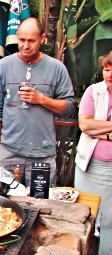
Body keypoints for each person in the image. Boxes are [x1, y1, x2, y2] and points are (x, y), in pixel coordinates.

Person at [0, 17, 75, 186]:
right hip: (9, 153)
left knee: (41, 206)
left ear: (43, 39)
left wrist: (41, 99)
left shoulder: (56, 68)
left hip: (43, 154)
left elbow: (69, 107)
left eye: (31, 41)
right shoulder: (2, 66)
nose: (25, 45)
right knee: (7, 207)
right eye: (21, 40)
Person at [74, 50, 112, 255]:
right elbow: (85, 124)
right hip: (89, 168)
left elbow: (92, 127)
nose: (110, 75)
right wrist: (109, 132)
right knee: (85, 216)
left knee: (110, 222)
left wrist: (98, 130)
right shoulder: (94, 92)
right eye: (107, 69)